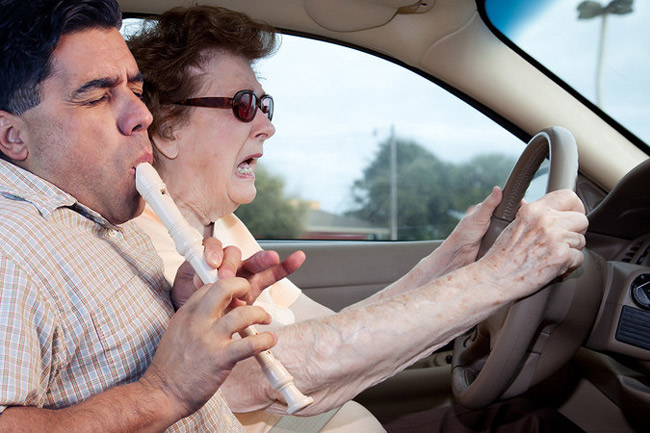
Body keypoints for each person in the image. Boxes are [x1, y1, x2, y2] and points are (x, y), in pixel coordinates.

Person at [128, 5, 589, 433]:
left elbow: (338, 330)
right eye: (244, 105)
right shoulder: (141, 246)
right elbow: (258, 376)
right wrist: (503, 274)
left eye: (266, 107)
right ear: (167, 127)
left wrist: (454, 259)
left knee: (527, 420)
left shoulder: (220, 225)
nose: (267, 125)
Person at [0, 1, 304, 431]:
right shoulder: (9, 253)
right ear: (13, 136)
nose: (143, 115)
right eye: (98, 97)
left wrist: (183, 308)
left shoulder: (103, 218)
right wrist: (162, 393)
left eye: (136, 92)